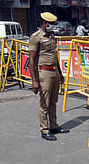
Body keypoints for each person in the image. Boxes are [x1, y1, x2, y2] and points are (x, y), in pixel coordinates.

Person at [28, 12, 69, 141]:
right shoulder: (36, 37)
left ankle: (54, 126)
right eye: (51, 24)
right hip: (43, 73)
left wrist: (60, 74)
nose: (53, 26)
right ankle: (44, 129)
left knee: (53, 101)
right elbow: (32, 60)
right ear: (45, 24)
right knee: (44, 103)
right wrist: (34, 81)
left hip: (54, 72)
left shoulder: (51, 36)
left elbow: (54, 56)